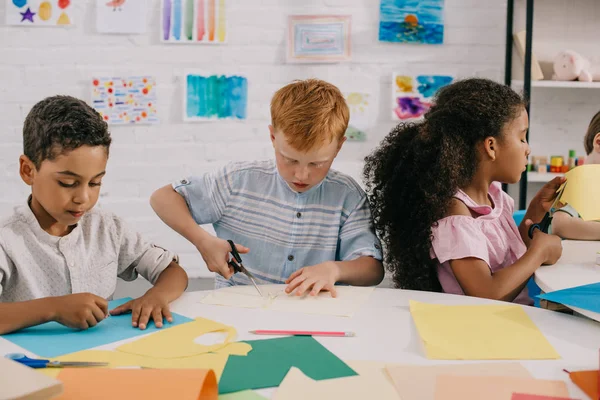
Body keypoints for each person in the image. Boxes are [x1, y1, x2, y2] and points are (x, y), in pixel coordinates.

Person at [150, 79, 384, 297]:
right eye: (290, 159)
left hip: (315, 316)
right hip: (236, 310)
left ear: (339, 146)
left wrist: (335, 270)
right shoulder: (238, 181)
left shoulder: (348, 195)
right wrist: (203, 241)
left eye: (317, 163)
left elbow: (373, 269)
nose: (301, 174)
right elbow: (163, 198)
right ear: (273, 137)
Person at [364, 78, 563, 305]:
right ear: (491, 147)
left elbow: (507, 256)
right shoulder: (455, 214)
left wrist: (536, 210)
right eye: (521, 137)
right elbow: (487, 294)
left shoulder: (495, 197)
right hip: (481, 329)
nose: (527, 149)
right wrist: (539, 254)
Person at [0, 95, 188, 334]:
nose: (83, 198)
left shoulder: (108, 227)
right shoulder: (6, 240)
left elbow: (172, 271)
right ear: (28, 171)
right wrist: (53, 308)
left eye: (95, 182)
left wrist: (156, 296)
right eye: (68, 183)